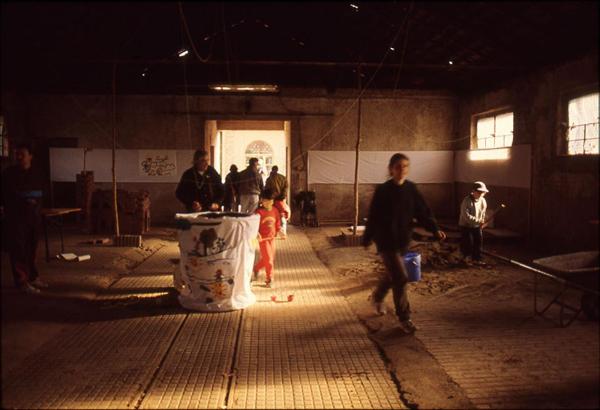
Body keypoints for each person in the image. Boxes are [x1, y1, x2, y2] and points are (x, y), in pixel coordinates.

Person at [363, 153, 446, 334]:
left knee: (393, 274)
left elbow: (423, 211)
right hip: (385, 241)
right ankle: (404, 318)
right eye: (399, 167)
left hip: (402, 240)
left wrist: (434, 228)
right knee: (401, 277)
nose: (402, 170)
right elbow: (374, 216)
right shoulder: (383, 190)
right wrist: (367, 237)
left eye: (406, 166)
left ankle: (377, 297)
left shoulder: (411, 189)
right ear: (391, 169)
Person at [1, 143, 49, 294]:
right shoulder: (8, 174)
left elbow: (43, 193)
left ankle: (33, 277)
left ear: (30, 156)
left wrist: (37, 206)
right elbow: (6, 195)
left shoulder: (37, 173)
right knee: (18, 250)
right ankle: (22, 282)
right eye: (16, 154)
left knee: (31, 249)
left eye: (22, 154)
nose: (19, 157)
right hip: (16, 219)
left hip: (33, 218)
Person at [253, 188, 281, 288]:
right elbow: (254, 226)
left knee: (269, 259)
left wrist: (279, 231)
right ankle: (269, 279)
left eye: (268, 201)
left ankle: (256, 268)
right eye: (264, 200)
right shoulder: (259, 212)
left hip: (272, 239)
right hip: (263, 240)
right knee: (269, 259)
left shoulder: (275, 211)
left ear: (272, 201)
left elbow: (277, 222)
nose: (266, 203)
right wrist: (257, 233)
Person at [459, 181, 489, 266]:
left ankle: (477, 258)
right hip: (466, 225)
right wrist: (479, 221)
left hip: (477, 226)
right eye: (479, 192)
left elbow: (483, 213)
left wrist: (483, 222)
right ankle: (466, 258)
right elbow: (466, 216)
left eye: (482, 192)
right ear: (473, 191)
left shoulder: (483, 201)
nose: (481, 194)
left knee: (478, 242)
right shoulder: (466, 201)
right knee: (467, 242)